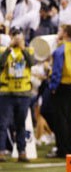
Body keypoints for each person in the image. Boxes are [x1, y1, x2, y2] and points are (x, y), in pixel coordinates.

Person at [47, 24, 71, 158]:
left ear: (66, 33)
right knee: (69, 118)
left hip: (62, 85)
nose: (58, 32)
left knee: (60, 118)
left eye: (60, 30)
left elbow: (57, 71)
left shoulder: (60, 50)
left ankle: (62, 149)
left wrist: (53, 87)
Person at [0, 27, 34, 162]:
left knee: (20, 124)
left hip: (23, 93)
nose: (16, 38)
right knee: (2, 124)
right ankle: (1, 151)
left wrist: (23, 48)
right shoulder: (3, 50)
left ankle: (22, 151)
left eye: (18, 35)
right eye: (14, 35)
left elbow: (31, 63)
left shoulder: (28, 50)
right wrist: (9, 48)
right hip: (6, 92)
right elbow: (1, 63)